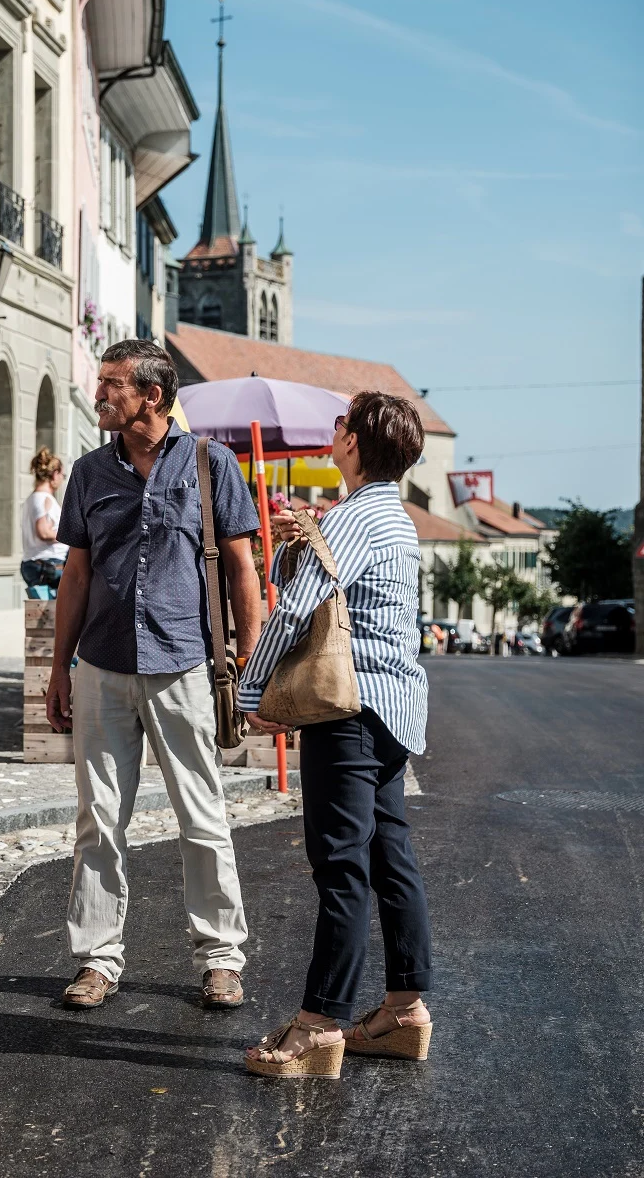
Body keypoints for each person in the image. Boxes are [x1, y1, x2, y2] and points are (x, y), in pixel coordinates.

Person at [45, 338, 262, 1011]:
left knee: (203, 816)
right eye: (102, 381)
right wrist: (60, 664)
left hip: (184, 666)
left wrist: (250, 661)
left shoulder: (209, 464)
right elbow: (75, 574)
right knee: (99, 821)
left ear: (153, 396)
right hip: (103, 665)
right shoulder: (87, 472)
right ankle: (97, 960)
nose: (100, 392)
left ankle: (222, 957)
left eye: (113, 383)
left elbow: (241, 567)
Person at [240, 391, 434, 1079]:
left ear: (355, 444)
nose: (334, 429)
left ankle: (319, 1025)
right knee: (389, 857)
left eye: (342, 423)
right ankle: (404, 1010)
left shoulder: (356, 517)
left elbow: (295, 610)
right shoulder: (392, 516)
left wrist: (248, 688)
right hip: (393, 708)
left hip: (347, 711)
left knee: (341, 866)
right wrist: (305, 540)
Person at [20, 447, 68, 597]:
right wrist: (72, 536)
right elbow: (44, 532)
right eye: (62, 475)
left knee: (45, 616)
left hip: (39, 563)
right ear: (55, 474)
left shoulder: (33, 499)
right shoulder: (43, 499)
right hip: (49, 564)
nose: (62, 479)